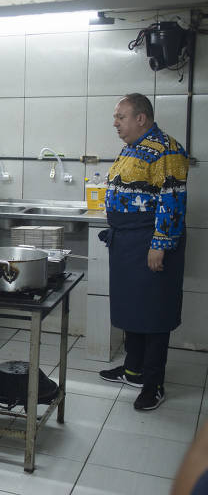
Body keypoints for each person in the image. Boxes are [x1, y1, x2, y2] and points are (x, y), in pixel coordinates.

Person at [98, 93, 189, 411]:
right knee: (132, 308)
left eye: (120, 117)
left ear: (141, 118)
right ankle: (133, 370)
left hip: (150, 242)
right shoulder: (133, 147)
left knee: (154, 313)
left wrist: (160, 244)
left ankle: (154, 384)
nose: (115, 123)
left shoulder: (167, 148)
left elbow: (172, 199)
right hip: (127, 242)